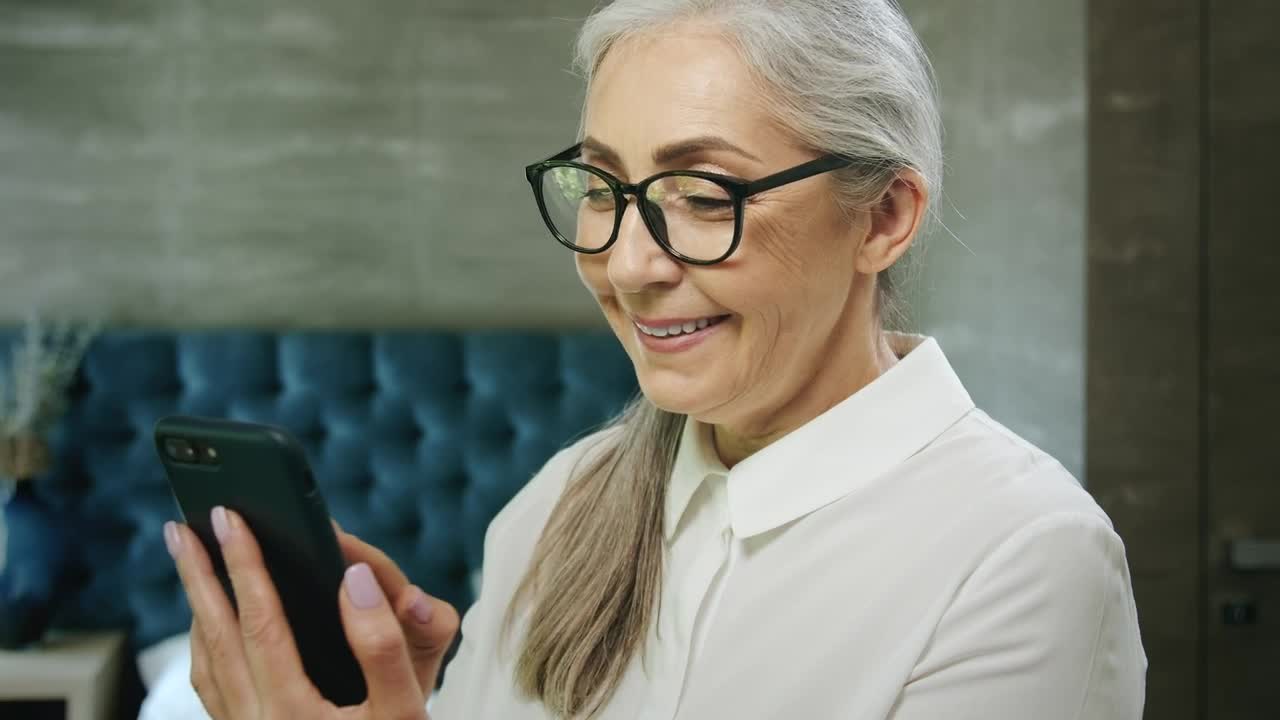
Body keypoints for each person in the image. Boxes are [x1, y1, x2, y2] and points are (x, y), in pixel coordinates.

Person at [165, 1, 1148, 718]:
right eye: (601, 185)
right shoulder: (557, 508)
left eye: (703, 193)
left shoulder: (1024, 560)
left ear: (882, 218)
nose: (627, 266)